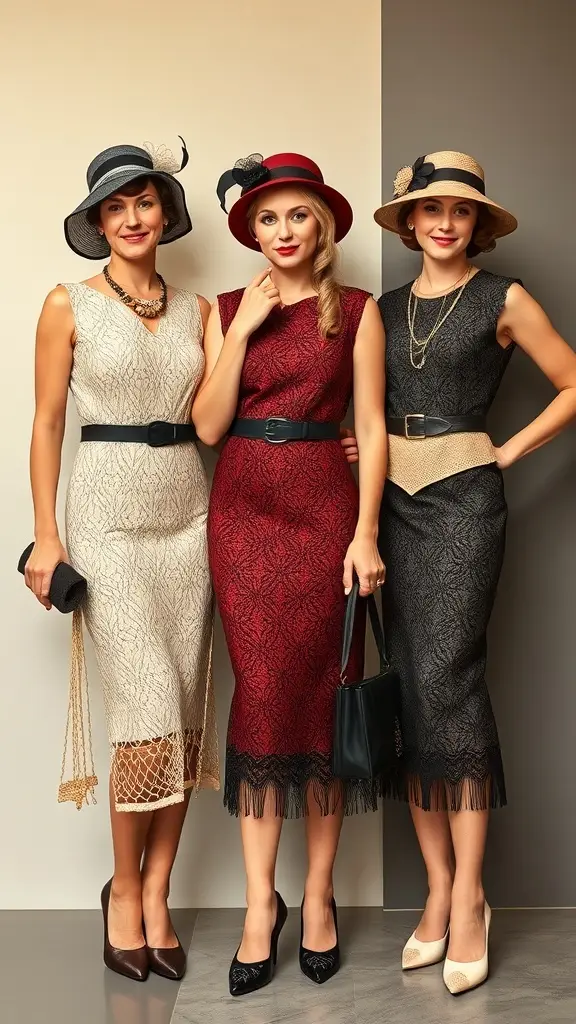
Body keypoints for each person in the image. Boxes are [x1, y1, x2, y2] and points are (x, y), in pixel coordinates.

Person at [342, 150, 576, 995]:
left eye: (461, 210)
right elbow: (373, 417)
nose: (445, 222)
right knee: (409, 688)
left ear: (477, 223)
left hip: (465, 504)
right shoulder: (383, 309)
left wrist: (506, 450)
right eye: (431, 209)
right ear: (409, 222)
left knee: (452, 682)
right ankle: (437, 889)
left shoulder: (502, 297)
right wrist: (365, 487)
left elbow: (572, 382)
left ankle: (472, 897)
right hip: (393, 504)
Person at [192, 152, 387, 995]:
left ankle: (318, 897)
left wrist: (366, 533)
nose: (283, 231)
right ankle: (256, 907)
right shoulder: (227, 310)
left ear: (323, 225)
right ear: (253, 231)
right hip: (243, 513)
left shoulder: (360, 312)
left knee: (325, 699)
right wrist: (241, 331)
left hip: (325, 514)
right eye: (268, 218)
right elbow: (208, 426)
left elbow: (370, 428)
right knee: (264, 700)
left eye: (298, 215)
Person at [25, 139, 219, 983]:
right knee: (143, 709)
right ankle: (125, 893)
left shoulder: (201, 310)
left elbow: (222, 416)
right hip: (104, 517)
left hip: (189, 516)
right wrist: (47, 535)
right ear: (98, 223)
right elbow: (45, 424)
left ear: (164, 214)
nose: (133, 218)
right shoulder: (66, 303)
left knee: (181, 713)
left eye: (144, 202)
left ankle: (158, 890)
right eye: (116, 207)